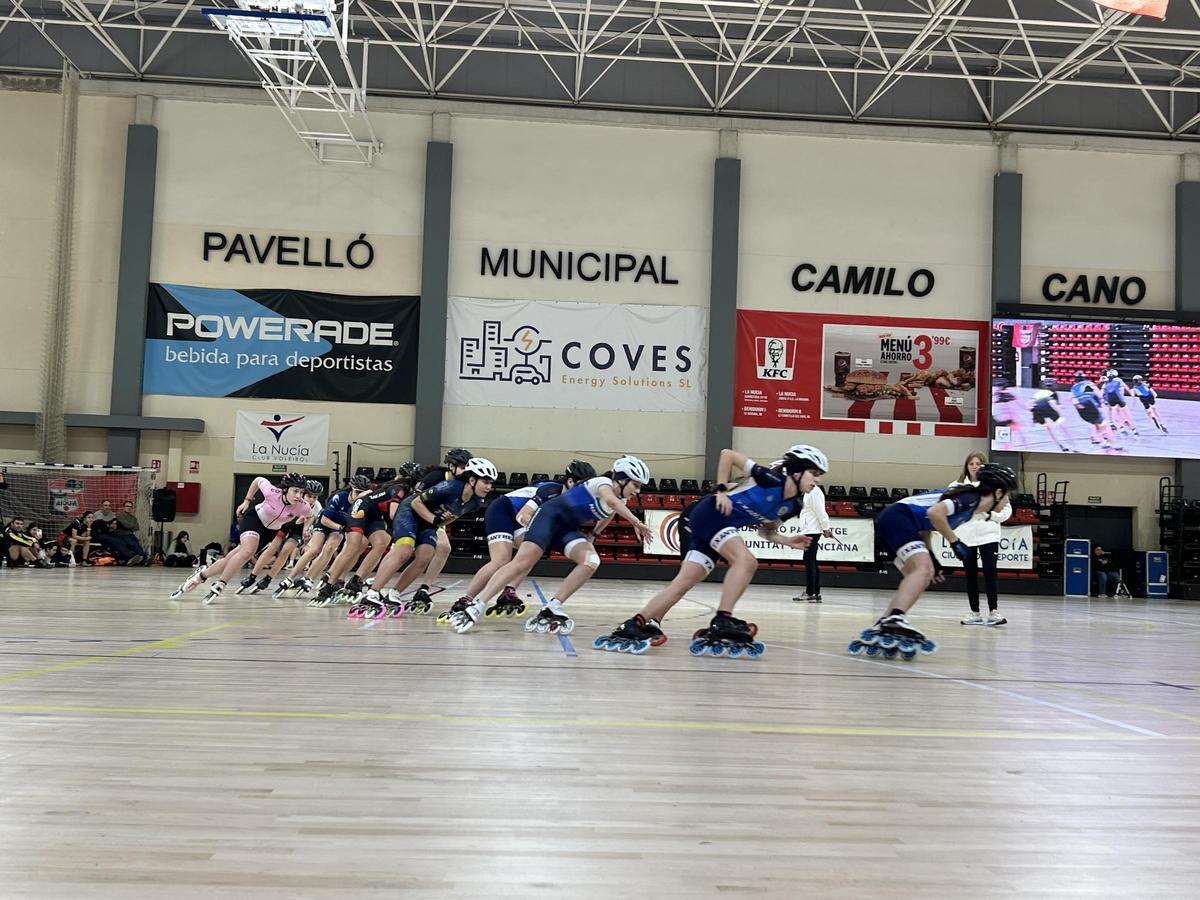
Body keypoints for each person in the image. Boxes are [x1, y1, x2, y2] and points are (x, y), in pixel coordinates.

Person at [596, 446, 827, 656]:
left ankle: (635, 623)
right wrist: (720, 490)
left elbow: (767, 532)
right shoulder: (769, 478)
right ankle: (722, 619)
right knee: (747, 562)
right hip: (711, 513)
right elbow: (727, 454)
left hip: (715, 525)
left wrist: (787, 541)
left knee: (685, 581)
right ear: (796, 471)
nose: (817, 480)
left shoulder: (794, 505)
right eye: (814, 473)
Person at [448, 455, 654, 634]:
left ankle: (553, 606)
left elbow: (609, 514)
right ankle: (477, 604)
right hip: (547, 518)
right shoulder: (602, 483)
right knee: (520, 562)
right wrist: (636, 521)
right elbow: (611, 503)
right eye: (635, 485)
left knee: (591, 560)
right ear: (621, 478)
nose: (637, 490)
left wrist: (594, 534)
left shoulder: (622, 500)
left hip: (565, 529)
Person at [849, 463, 1018, 659]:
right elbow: (934, 514)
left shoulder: (970, 508)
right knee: (922, 570)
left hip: (896, 521)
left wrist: (933, 557)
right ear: (997, 492)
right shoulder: (970, 498)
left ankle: (884, 623)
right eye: (1007, 495)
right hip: (899, 518)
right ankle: (895, 617)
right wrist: (954, 542)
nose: (1007, 501)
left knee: (922, 574)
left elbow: (926, 527)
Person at [443, 459, 598, 623]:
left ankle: (509, 591)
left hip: (524, 518)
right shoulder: (551, 490)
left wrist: (593, 534)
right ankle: (466, 599)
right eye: (582, 486)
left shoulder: (576, 499)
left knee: (532, 552)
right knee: (501, 559)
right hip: (504, 510)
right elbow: (523, 516)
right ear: (570, 481)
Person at [355, 458, 498, 618]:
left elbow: (454, 516)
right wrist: (434, 519)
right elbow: (416, 502)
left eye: (491, 483)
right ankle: (372, 593)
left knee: (425, 556)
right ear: (472, 480)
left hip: (429, 521)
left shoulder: (475, 502)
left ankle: (394, 594)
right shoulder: (449, 487)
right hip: (409, 513)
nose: (489, 487)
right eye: (485, 482)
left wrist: (441, 521)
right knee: (404, 551)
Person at [169, 473, 312, 603]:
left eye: (301, 492)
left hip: (270, 532)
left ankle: (201, 575)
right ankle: (221, 583)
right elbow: (257, 480)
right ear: (286, 489)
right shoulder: (272, 492)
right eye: (295, 491)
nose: (299, 495)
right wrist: (247, 501)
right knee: (248, 551)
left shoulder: (303, 506)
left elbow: (309, 516)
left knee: (230, 559)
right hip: (254, 520)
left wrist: (305, 529)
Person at [396, 450, 472, 613]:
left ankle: (424, 588)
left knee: (444, 548)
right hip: (417, 512)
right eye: (462, 466)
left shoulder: (463, 484)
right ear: (451, 466)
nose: (465, 470)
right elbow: (415, 498)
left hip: (435, 517)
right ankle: (378, 586)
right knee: (403, 550)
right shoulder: (437, 476)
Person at [275, 474, 371, 598]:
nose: (359, 495)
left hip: (340, 527)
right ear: (351, 488)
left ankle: (310, 578)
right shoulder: (339, 497)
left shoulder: (363, 502)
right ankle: (290, 578)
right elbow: (325, 520)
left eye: (362, 493)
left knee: (330, 549)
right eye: (357, 492)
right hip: (326, 522)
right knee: (314, 549)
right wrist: (341, 528)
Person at [950, 453, 1010, 627]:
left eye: (978, 463)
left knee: (990, 572)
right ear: (966, 466)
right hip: (966, 537)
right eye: (971, 463)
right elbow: (949, 509)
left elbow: (1006, 511)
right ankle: (974, 612)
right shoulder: (956, 486)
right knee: (970, 575)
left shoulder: (996, 485)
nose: (975, 466)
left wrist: (989, 514)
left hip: (989, 535)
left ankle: (993, 611)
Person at [795, 472, 832, 604]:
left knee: (809, 560)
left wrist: (826, 528)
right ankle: (815, 592)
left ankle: (810, 592)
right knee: (811, 561)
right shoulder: (810, 492)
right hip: (810, 530)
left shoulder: (814, 493)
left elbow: (821, 512)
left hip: (811, 531)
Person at [1070, 372, 1117, 449]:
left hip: (1081, 407)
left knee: (1091, 423)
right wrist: (1103, 402)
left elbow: (1073, 399)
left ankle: (1095, 440)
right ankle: (1106, 439)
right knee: (1102, 422)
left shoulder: (1073, 387)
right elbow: (1099, 394)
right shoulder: (1089, 383)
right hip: (1092, 403)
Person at [1030, 378, 1072, 452]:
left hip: (1037, 411)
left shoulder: (1038, 393)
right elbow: (1054, 405)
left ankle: (1060, 445)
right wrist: (1060, 414)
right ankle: (1070, 443)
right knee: (1062, 426)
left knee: (1049, 429)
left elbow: (1030, 405)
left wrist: (1034, 417)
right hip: (1048, 408)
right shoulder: (1053, 393)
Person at [1101, 369, 1138, 436]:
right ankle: (1129, 427)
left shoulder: (1106, 382)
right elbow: (1125, 387)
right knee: (1123, 413)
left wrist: (1102, 400)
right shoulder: (1118, 380)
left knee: (1116, 411)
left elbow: (1102, 392)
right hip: (1119, 399)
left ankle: (1118, 424)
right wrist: (1132, 395)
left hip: (1112, 399)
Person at [112, 499, 148, 565]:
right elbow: (127, 525)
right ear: (123, 507)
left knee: (136, 543)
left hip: (130, 534)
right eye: (127, 506)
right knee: (132, 543)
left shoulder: (133, 517)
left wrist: (129, 526)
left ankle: (141, 558)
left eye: (130, 506)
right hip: (121, 534)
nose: (129, 508)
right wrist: (130, 526)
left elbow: (137, 527)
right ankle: (144, 557)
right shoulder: (119, 515)